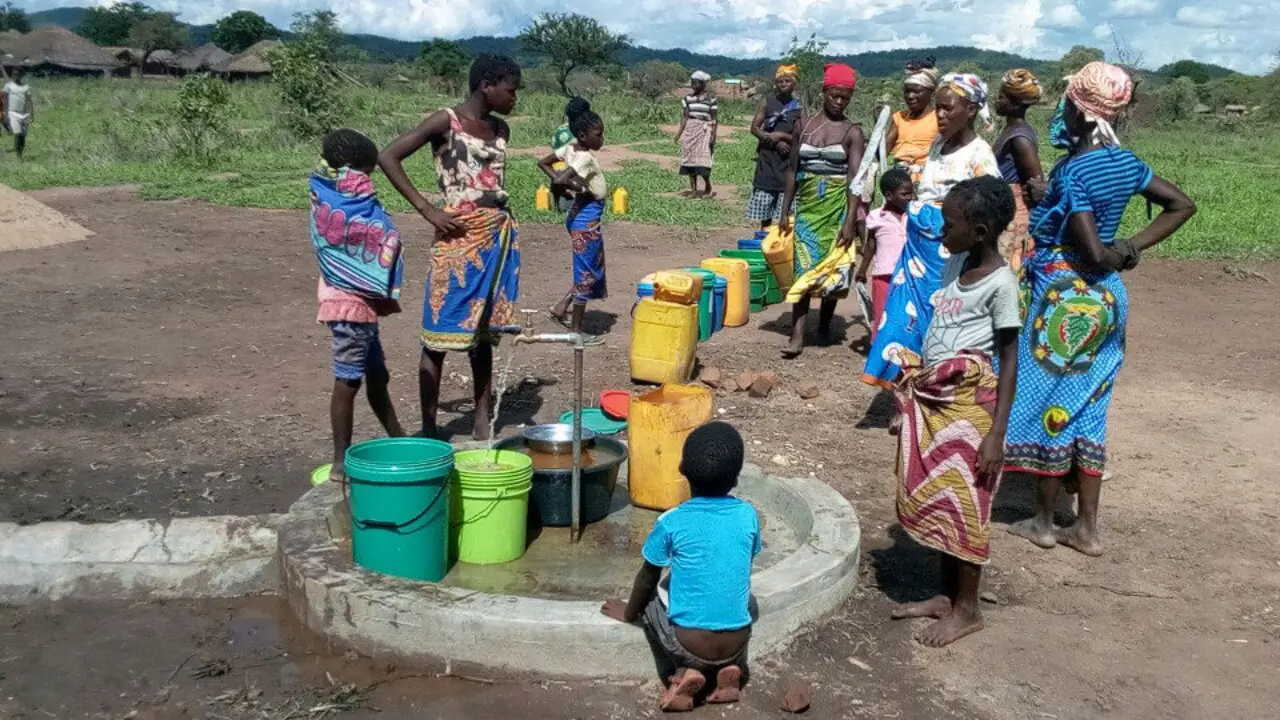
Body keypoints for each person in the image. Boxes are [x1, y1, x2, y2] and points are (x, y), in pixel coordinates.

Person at [1004, 62, 1195, 556]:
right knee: (1090, 407)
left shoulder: (1074, 173)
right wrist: (1131, 246)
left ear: (1079, 111)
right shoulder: (1125, 162)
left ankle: (1043, 522)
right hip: (1109, 301)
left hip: (1064, 302)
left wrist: (1110, 251)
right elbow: (1181, 204)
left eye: (1065, 103)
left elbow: (1088, 248)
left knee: (1049, 403)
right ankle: (1086, 530)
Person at [890, 175, 1020, 648]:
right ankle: (946, 597)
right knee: (943, 500)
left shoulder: (1001, 285)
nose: (941, 232)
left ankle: (969, 609)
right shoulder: (956, 264)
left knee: (967, 506)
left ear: (980, 232)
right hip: (940, 403)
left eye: (949, 224)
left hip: (974, 411)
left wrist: (996, 435)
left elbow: (1009, 360)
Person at [378, 53, 522, 440]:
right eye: (511, 90)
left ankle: (481, 419)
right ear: (486, 85)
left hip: (494, 236)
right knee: (437, 334)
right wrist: (427, 209)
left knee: (482, 334)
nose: (515, 98)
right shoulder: (447, 122)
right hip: (457, 238)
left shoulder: (500, 128)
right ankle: (428, 426)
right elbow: (388, 156)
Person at [601, 421, 761, 712]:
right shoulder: (748, 515)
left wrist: (628, 612)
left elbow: (647, 579)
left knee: (651, 603)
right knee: (744, 600)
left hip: (688, 644)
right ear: (736, 478)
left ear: (682, 470)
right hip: (738, 640)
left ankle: (686, 671)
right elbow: (743, 563)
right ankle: (730, 671)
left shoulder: (672, 521)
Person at [862, 73, 1000, 387]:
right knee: (900, 324)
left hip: (947, 261)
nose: (939, 115)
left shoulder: (979, 156)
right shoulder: (937, 145)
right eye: (937, 108)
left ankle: (929, 396)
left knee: (940, 329)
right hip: (914, 259)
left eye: (948, 109)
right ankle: (904, 392)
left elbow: (989, 214)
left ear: (971, 110)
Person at [311, 129, 407, 483]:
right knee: (348, 381)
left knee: (377, 376)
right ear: (354, 171)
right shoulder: (345, 198)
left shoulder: (326, 190)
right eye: (368, 171)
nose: (370, 180)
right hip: (347, 304)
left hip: (355, 305)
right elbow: (370, 231)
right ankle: (340, 461)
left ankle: (397, 436)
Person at [777, 63, 866, 358]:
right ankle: (797, 335)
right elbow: (792, 170)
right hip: (807, 210)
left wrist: (851, 219)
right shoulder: (804, 125)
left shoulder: (853, 132)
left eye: (845, 98)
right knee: (802, 270)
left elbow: (856, 179)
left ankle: (825, 326)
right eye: (835, 96)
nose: (839, 102)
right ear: (824, 92)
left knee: (833, 270)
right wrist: (784, 210)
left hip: (837, 209)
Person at [538, 108, 608, 332]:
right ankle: (576, 331)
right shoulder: (585, 157)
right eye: (598, 135)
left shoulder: (569, 148)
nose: (602, 139)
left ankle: (562, 307)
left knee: (587, 266)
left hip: (578, 213)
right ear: (583, 136)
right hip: (586, 216)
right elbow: (561, 178)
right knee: (586, 272)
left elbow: (544, 162)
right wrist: (572, 185)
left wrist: (569, 186)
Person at [992, 69, 1045, 272]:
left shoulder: (1020, 138)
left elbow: (1036, 184)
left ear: (1016, 102)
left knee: (1008, 270)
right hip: (1005, 210)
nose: (998, 100)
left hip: (1013, 216)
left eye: (1002, 96)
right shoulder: (1010, 131)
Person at [855, 168, 913, 342]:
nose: (910, 197)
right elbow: (871, 245)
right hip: (884, 276)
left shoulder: (913, 216)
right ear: (889, 195)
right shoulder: (876, 217)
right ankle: (878, 355)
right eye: (905, 194)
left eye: (912, 193)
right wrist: (862, 269)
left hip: (909, 275)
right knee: (882, 316)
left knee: (906, 315)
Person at [746, 65, 802, 231]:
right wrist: (773, 141)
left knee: (787, 212)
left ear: (794, 84)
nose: (783, 84)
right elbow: (754, 128)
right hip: (767, 160)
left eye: (787, 81)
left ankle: (781, 244)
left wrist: (783, 137)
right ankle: (764, 241)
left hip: (787, 163)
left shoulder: (798, 107)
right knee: (765, 209)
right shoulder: (767, 101)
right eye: (780, 81)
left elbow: (802, 137)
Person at [884, 58, 939, 177]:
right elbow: (882, 152)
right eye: (907, 92)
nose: (910, 96)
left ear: (932, 93)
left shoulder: (939, 118)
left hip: (928, 179)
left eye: (916, 92)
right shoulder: (898, 118)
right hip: (899, 180)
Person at [676, 71, 718, 198]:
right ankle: (694, 190)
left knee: (704, 161)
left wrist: (713, 136)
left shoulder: (711, 99)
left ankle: (708, 186)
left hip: (704, 132)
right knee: (690, 160)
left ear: (703, 84)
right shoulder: (687, 99)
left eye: (696, 83)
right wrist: (678, 134)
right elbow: (685, 117)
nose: (693, 85)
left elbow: (714, 119)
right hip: (690, 132)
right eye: (692, 83)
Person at [550, 97, 592, 212]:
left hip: (558, 179)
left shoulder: (560, 130)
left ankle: (557, 203)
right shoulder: (583, 132)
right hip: (573, 182)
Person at [4, 69, 32, 160]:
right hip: (13, 112)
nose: (16, 77)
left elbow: (29, 101)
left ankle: (20, 151)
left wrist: (32, 113)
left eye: (18, 75)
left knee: (23, 135)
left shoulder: (26, 87)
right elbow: (5, 99)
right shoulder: (8, 86)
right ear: (12, 76)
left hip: (24, 113)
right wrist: (6, 113)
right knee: (18, 132)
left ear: (21, 76)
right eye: (14, 75)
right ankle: (18, 155)